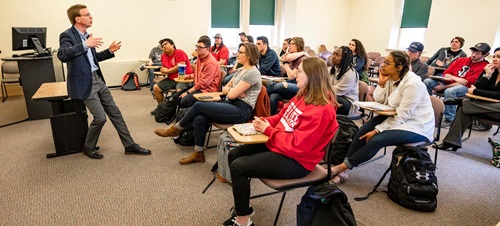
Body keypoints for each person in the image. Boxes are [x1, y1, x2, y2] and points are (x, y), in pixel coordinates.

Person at [223, 57, 339, 226]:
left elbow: (298, 146)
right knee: (234, 154)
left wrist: (268, 130)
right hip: (282, 146)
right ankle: (243, 208)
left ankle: (243, 220)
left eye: (300, 72)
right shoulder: (303, 95)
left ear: (312, 77)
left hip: (298, 161)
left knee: (238, 167)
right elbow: (282, 117)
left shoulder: (321, 110)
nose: (295, 75)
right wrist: (265, 121)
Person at [57, 4, 151, 159]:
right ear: (78, 18)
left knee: (115, 113)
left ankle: (129, 145)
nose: (91, 17)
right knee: (100, 118)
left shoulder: (88, 36)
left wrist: (109, 51)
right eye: (87, 14)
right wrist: (85, 45)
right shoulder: (68, 35)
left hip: (98, 79)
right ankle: (88, 146)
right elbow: (62, 55)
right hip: (85, 83)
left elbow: (93, 59)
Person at [330, 51, 434, 184]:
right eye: (384, 61)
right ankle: (344, 171)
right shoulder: (392, 77)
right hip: (394, 116)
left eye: (387, 63)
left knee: (376, 139)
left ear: (399, 67)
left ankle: (341, 168)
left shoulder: (413, 85)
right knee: (362, 131)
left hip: (417, 126)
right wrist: (382, 83)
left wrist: (377, 130)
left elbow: (403, 115)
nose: (382, 65)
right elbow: (379, 100)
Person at [153, 43, 262, 165]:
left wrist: (231, 91)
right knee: (200, 118)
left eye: (241, 52)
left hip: (241, 110)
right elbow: (225, 88)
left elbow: (230, 94)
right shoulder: (241, 70)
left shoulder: (252, 72)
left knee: (199, 105)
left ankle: (175, 129)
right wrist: (233, 90)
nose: (237, 54)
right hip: (231, 104)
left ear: (248, 55)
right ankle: (198, 153)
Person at [437, 47, 500, 151]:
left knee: (466, 104)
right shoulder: (492, 71)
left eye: (499, 57)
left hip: (497, 109)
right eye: (494, 56)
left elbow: (497, 95)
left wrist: (475, 92)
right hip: (487, 106)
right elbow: (478, 86)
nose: (494, 59)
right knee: (464, 109)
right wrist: (487, 75)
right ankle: (451, 142)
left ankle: (462, 102)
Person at [423, 42, 490, 127]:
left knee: (450, 91)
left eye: (478, 53)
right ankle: (425, 110)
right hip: (450, 81)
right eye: (473, 52)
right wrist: (456, 78)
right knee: (427, 82)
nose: (474, 55)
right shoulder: (461, 60)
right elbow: (446, 73)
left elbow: (468, 82)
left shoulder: (485, 66)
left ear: (486, 54)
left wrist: (443, 87)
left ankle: (449, 119)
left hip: (466, 87)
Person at [172, 36, 221, 108]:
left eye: (200, 47)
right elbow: (198, 74)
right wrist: (187, 76)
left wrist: (188, 92)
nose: (197, 49)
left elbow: (204, 83)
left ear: (207, 49)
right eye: (197, 46)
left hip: (207, 90)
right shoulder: (199, 57)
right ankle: (184, 115)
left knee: (184, 101)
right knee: (176, 96)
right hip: (199, 87)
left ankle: (191, 115)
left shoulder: (210, 62)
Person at [268, 37, 308, 115]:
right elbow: (284, 57)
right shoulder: (293, 57)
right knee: (273, 96)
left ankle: (263, 91)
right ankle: (271, 117)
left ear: (299, 45)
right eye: (289, 44)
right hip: (292, 84)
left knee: (282, 85)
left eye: (292, 44)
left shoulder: (302, 59)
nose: (289, 46)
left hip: (301, 87)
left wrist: (286, 64)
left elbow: (291, 76)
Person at [152, 38, 194, 105]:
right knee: (156, 87)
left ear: (172, 44)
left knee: (179, 92)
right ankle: (162, 108)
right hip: (171, 79)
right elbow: (164, 68)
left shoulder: (179, 52)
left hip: (184, 78)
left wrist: (167, 70)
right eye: (162, 46)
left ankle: (178, 111)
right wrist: (163, 70)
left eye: (166, 44)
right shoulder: (163, 56)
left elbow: (180, 67)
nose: (164, 46)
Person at [330, 46, 359, 115]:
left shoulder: (350, 74)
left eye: (337, 55)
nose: (333, 57)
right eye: (333, 54)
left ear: (344, 58)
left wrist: (321, 90)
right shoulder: (333, 69)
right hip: (334, 96)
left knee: (324, 97)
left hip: (348, 103)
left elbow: (337, 91)